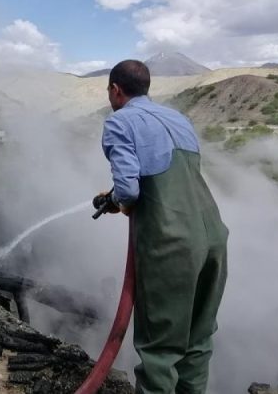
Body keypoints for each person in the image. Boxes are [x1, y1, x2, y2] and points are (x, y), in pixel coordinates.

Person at [100, 60, 228, 394]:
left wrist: (115, 200)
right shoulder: (178, 119)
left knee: (160, 351)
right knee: (198, 342)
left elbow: (128, 190)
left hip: (171, 246)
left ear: (116, 90)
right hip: (213, 238)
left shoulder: (120, 121)